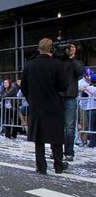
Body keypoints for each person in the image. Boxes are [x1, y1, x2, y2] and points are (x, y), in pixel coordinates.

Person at [21, 38, 69, 174]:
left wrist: (31, 99)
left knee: (39, 137)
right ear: (51, 49)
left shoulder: (29, 65)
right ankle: (58, 165)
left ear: (38, 49)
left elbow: (24, 86)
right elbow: (64, 85)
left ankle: (41, 166)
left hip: (37, 105)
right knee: (57, 137)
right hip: (54, 104)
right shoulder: (57, 64)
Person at [59, 43, 85, 161]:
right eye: (68, 47)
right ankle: (57, 150)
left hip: (70, 97)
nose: (70, 49)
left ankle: (69, 152)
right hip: (58, 96)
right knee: (58, 126)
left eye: (72, 47)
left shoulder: (77, 62)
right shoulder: (61, 61)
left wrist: (72, 57)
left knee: (69, 127)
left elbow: (80, 71)